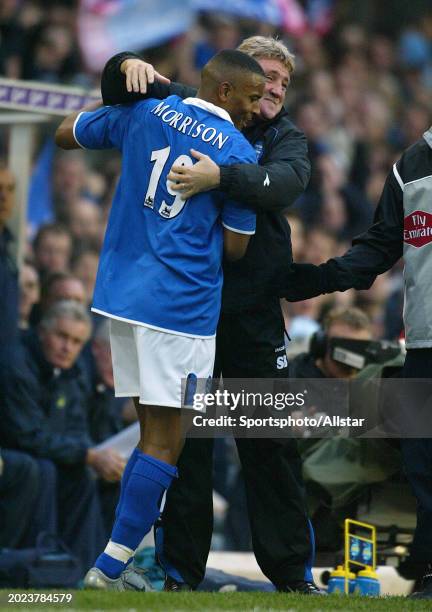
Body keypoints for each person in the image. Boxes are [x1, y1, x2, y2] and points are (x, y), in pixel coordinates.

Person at [101, 36, 322, 595]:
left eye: (282, 82)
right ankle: (179, 573)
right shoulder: (194, 104)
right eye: (265, 76)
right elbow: (120, 91)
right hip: (188, 309)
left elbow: (287, 184)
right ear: (237, 80)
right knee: (188, 445)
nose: (271, 89)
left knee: (268, 443)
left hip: (250, 317)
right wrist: (123, 64)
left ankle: (292, 576)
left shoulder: (286, 139)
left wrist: (220, 177)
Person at [55, 49, 262, 590]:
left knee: (150, 432)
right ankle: (108, 567)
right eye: (251, 97)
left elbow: (64, 134)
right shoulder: (238, 152)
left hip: (122, 296)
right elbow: (237, 249)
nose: (257, 109)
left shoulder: (148, 112)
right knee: (167, 441)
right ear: (223, 92)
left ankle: (117, 563)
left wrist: (121, 82)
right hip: (182, 306)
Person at [280, 126, 432, 599]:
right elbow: (379, 247)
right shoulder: (412, 165)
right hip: (425, 344)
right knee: (422, 463)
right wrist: (318, 279)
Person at [0, 300, 125, 573]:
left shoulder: (72, 372)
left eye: (76, 341)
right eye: (62, 336)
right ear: (43, 332)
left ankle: (82, 568)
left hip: (44, 452)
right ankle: (34, 562)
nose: (67, 347)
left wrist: (88, 456)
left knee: (84, 476)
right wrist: (87, 454)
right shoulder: (16, 363)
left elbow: (77, 430)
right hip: (15, 453)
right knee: (42, 470)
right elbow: (26, 435)